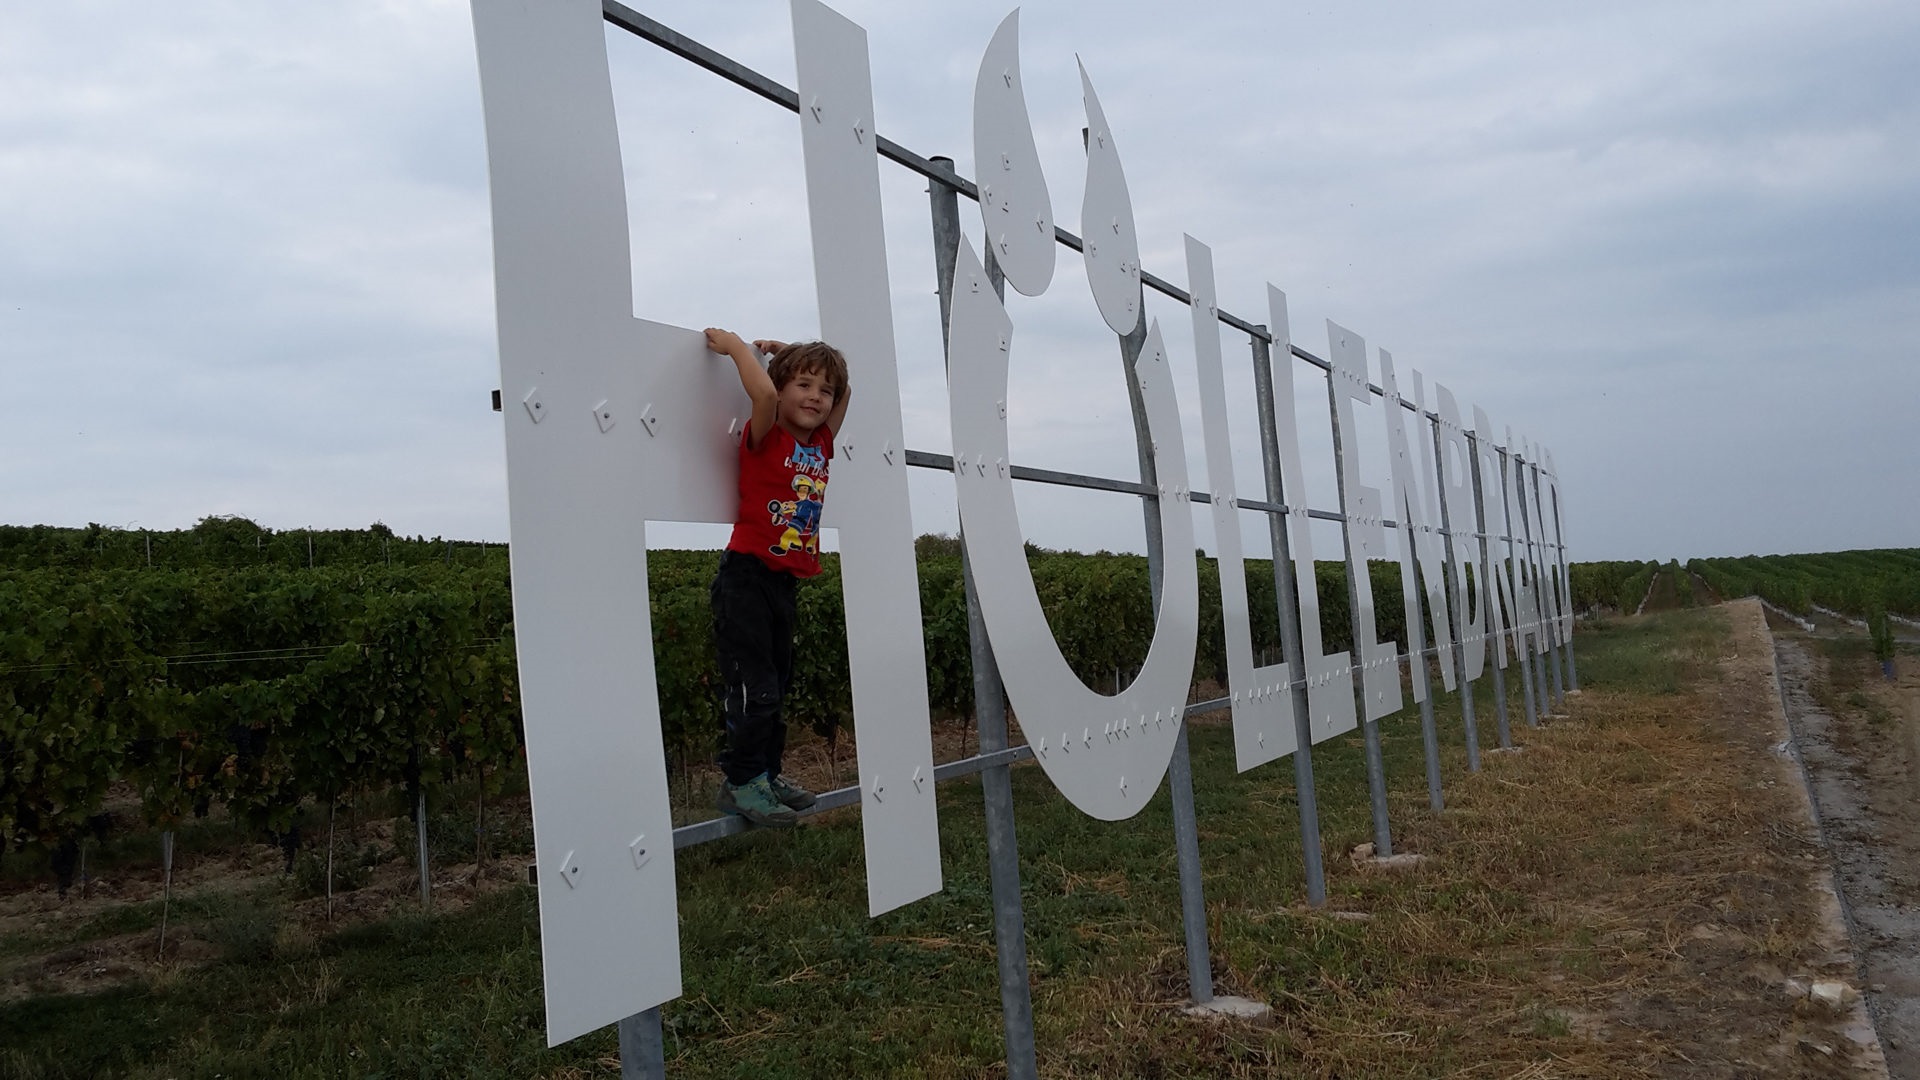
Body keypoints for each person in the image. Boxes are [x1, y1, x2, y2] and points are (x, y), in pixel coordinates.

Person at [703, 328, 851, 827]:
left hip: (783, 583)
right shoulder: (767, 435)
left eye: (823, 390)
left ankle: (766, 774)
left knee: (777, 686)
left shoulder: (822, 444)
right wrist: (736, 347)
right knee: (756, 688)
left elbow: (847, 392)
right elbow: (764, 394)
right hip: (746, 577)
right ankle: (741, 781)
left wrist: (793, 356)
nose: (816, 397)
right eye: (803, 385)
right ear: (783, 388)